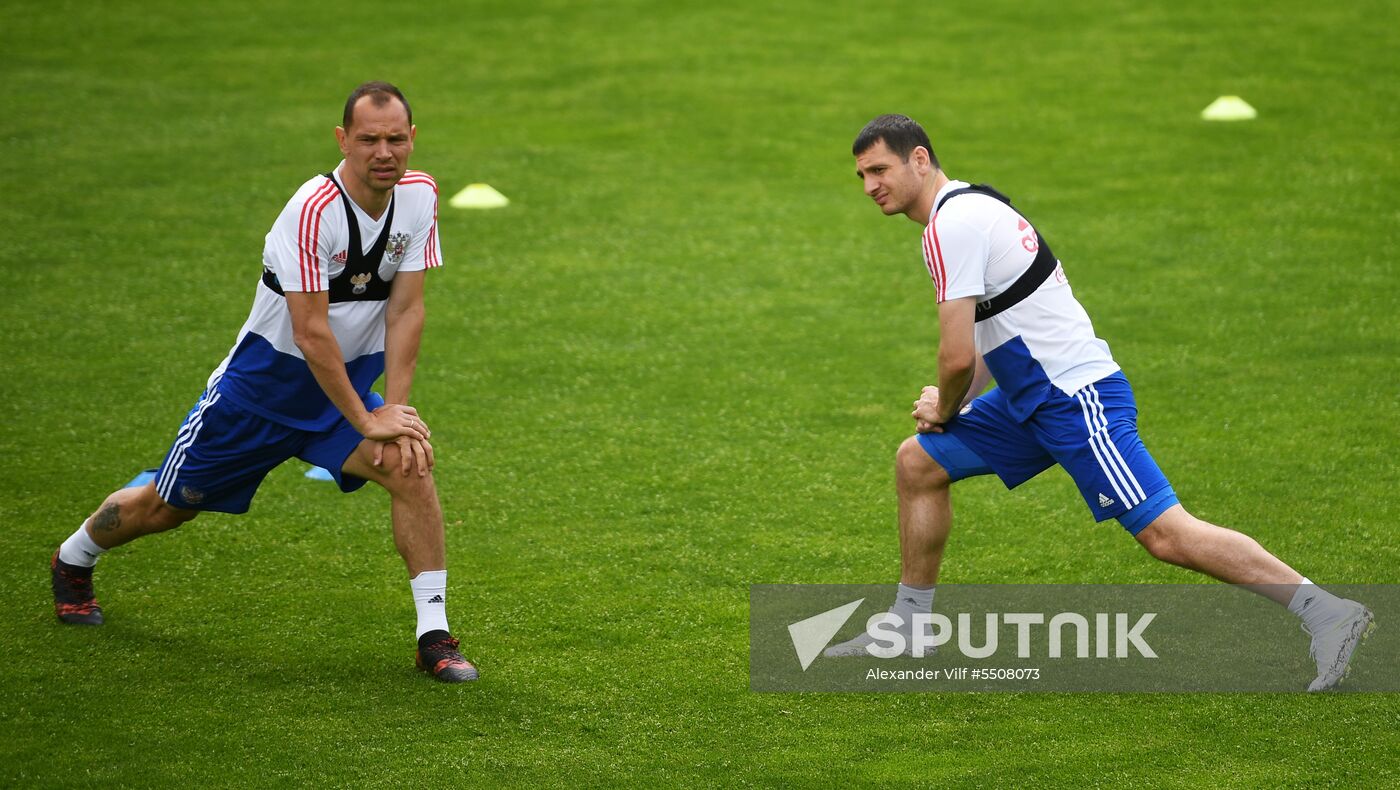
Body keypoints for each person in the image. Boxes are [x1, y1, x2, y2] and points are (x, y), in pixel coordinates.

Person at [827, 113, 1372, 691]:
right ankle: (911, 626)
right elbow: (995, 330)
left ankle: (1327, 612)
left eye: (879, 169)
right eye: (861, 175)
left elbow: (958, 356)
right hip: (1029, 396)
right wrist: (956, 412)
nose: (869, 186)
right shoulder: (974, 206)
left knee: (1166, 534)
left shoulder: (950, 227)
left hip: (1073, 398)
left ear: (918, 159)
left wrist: (945, 406)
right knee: (919, 462)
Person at [49, 81, 478, 683]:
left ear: (412, 139)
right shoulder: (311, 212)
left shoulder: (419, 196)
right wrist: (366, 419)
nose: (384, 152)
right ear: (342, 141)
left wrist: (395, 415)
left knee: (410, 465)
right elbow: (310, 333)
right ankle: (74, 557)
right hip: (257, 396)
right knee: (165, 509)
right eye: (368, 140)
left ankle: (432, 636)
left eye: (395, 139)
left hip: (342, 397)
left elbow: (406, 311)